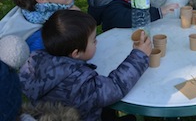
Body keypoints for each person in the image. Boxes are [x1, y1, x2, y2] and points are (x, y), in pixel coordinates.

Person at [19, 9, 151, 121]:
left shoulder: (35, 63)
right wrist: (139, 55)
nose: (97, 42)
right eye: (93, 40)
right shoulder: (79, 83)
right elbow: (115, 86)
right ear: (76, 53)